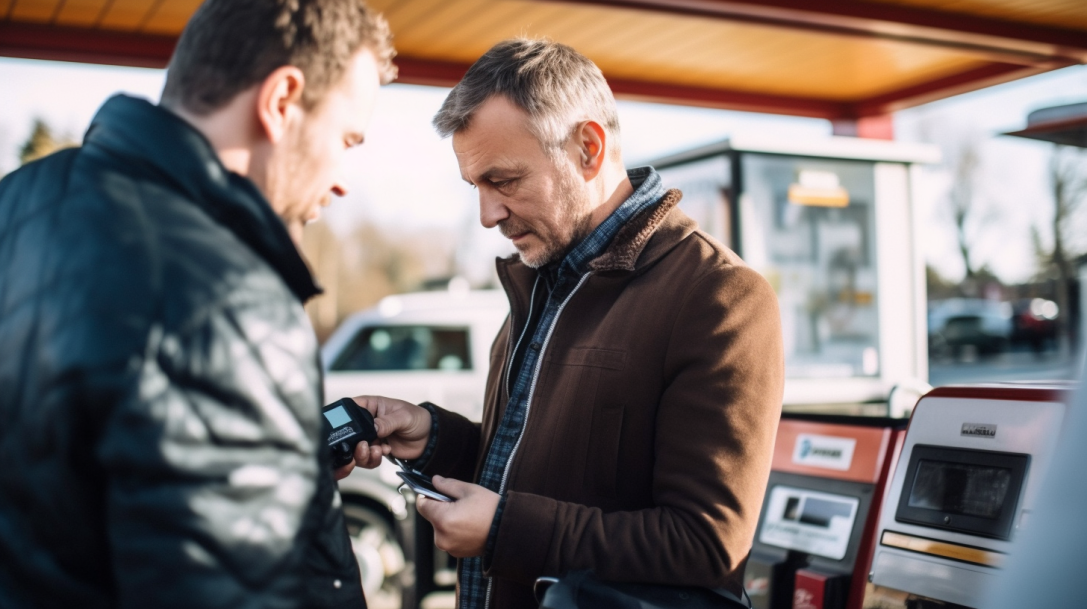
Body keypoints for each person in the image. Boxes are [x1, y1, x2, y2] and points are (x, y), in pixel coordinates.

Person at [353, 38, 785, 609]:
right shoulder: (539, 281)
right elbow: (540, 468)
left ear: (588, 147)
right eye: (475, 187)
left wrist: (508, 528)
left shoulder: (719, 296)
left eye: (504, 181)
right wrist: (436, 438)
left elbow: (706, 544)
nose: (488, 215)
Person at [0, 1, 395, 607]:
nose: (343, 178)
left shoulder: (16, 203)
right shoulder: (233, 302)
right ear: (282, 101)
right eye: (346, 138)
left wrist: (283, 464)